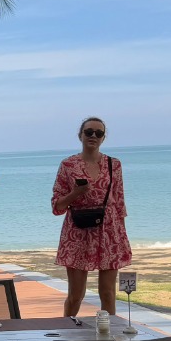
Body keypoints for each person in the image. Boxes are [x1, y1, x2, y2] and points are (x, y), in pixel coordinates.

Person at [51, 117, 131, 316]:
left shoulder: (114, 164)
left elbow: (119, 202)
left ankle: (108, 333)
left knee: (108, 293)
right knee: (76, 295)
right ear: (80, 135)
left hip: (109, 231)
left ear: (103, 138)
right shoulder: (68, 165)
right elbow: (57, 206)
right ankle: (67, 331)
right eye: (88, 132)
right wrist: (75, 193)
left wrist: (121, 238)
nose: (93, 136)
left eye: (98, 133)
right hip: (78, 232)